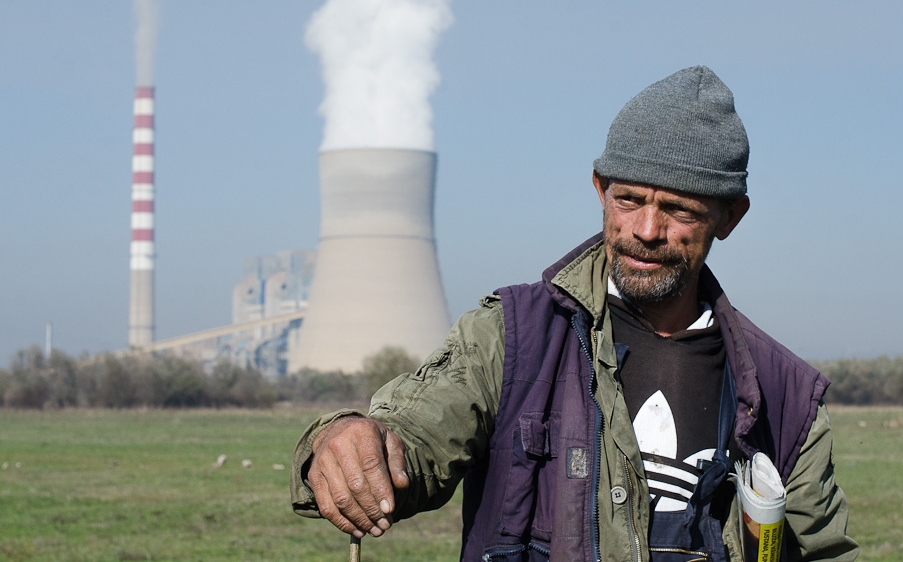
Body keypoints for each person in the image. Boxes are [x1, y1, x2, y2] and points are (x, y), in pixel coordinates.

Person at [290, 65, 860, 561]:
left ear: (730, 218)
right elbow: (415, 434)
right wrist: (346, 439)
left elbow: (826, 552)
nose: (646, 230)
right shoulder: (514, 337)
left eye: (679, 209)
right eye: (628, 200)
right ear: (599, 188)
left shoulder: (784, 397)